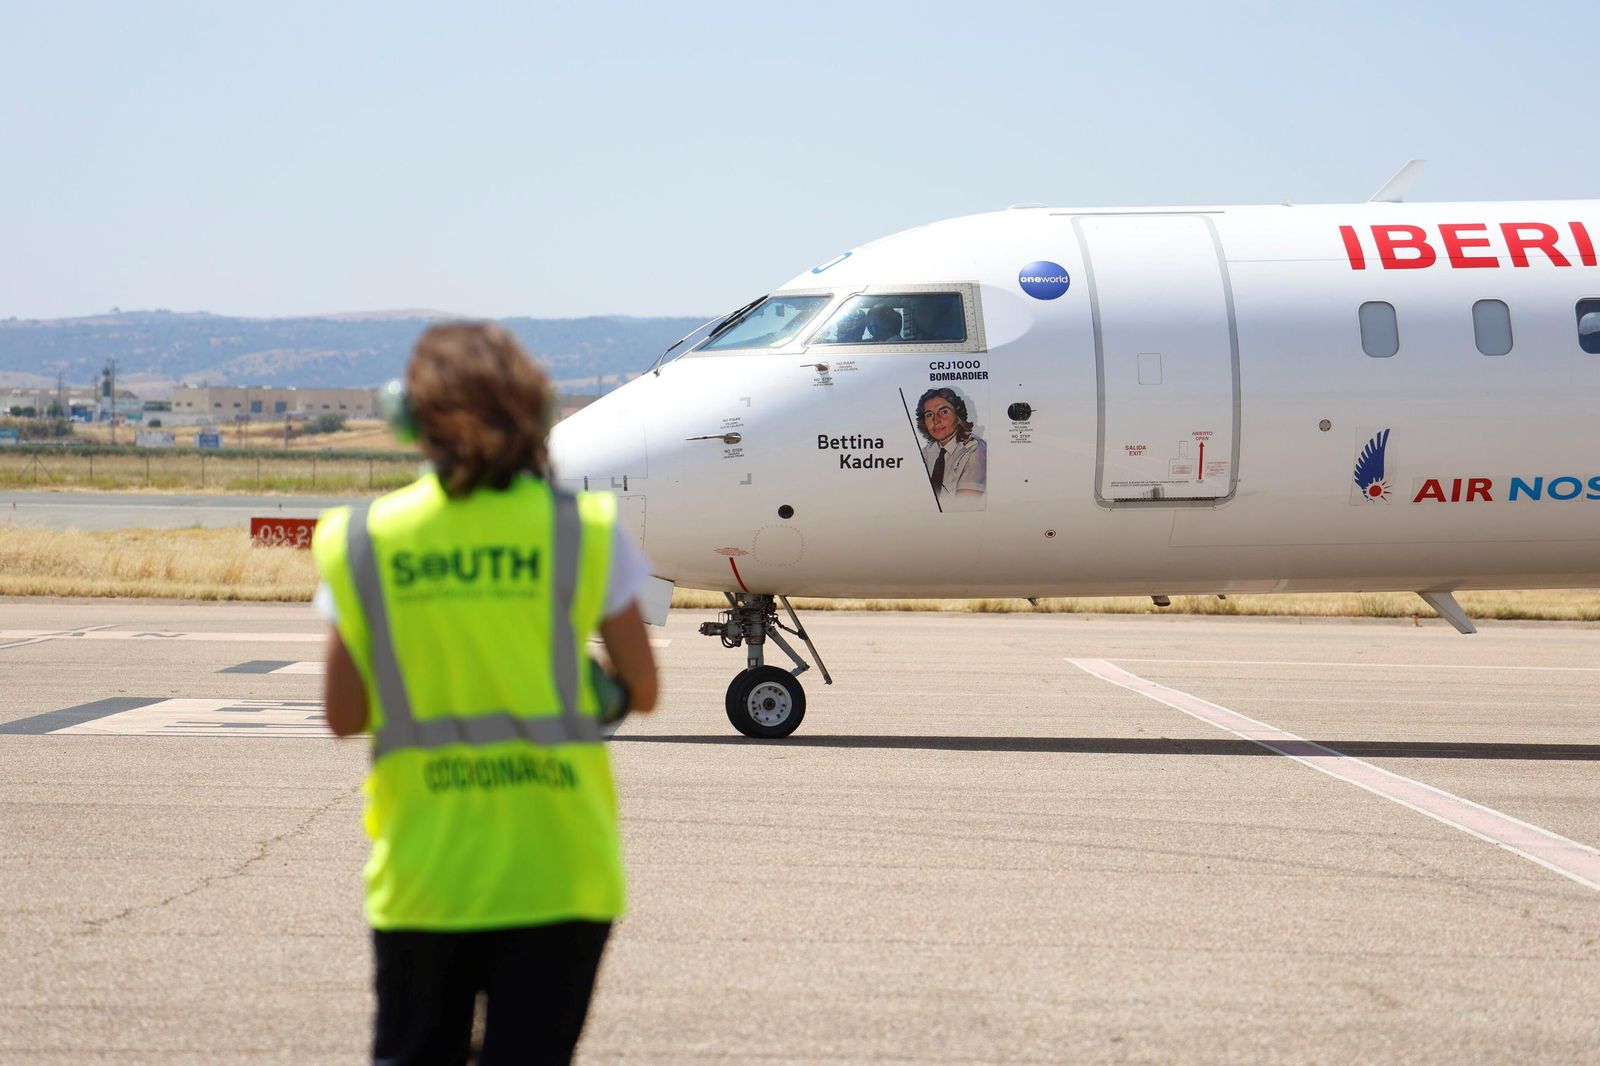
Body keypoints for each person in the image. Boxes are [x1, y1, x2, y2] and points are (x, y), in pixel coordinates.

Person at [312, 321, 659, 1066]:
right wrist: (589, 690)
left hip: (427, 875)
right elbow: (645, 688)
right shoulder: (582, 531)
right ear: (537, 413)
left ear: (410, 419)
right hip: (561, 871)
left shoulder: (365, 538)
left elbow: (343, 716)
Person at [916, 386, 986, 511]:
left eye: (944, 412)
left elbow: (965, 507)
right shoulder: (927, 452)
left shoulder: (974, 450)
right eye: (929, 414)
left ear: (958, 415)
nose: (936, 420)